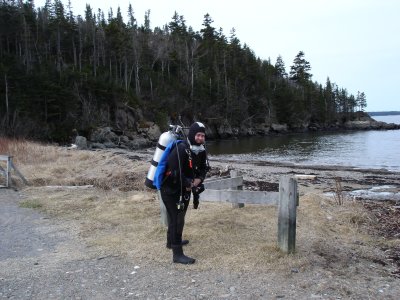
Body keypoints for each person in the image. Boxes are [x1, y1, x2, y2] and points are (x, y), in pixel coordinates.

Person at [160, 122, 209, 264]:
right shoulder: (181, 148)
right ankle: (177, 254)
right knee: (177, 219)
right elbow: (174, 172)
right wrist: (188, 184)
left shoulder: (201, 150)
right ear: (192, 135)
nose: (200, 138)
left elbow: (204, 169)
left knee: (176, 217)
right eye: (198, 135)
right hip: (170, 189)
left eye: (202, 136)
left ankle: (171, 242)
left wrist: (198, 181)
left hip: (184, 189)